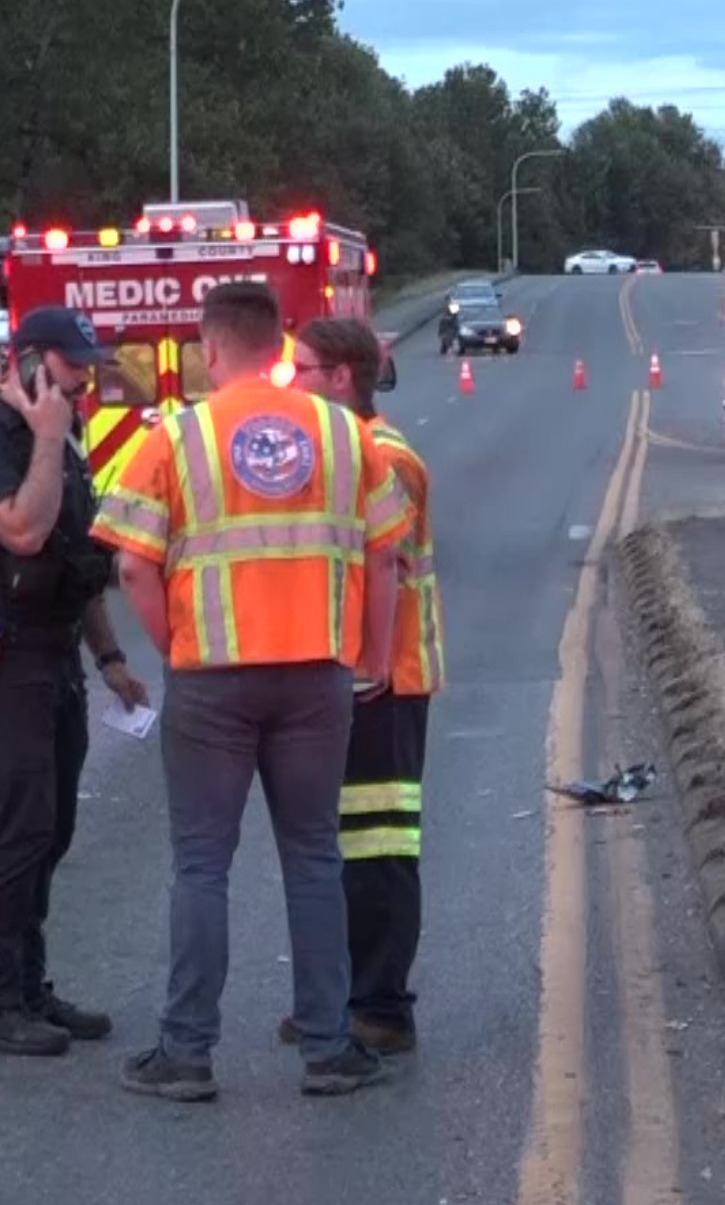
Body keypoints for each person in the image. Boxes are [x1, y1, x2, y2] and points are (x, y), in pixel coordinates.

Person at [90, 281, 410, 1101]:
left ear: (210, 346)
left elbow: (130, 562)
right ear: (277, 347)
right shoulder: (345, 435)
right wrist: (370, 654)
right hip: (317, 677)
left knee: (202, 865)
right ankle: (330, 1047)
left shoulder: (175, 438)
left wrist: (178, 650)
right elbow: (384, 555)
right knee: (312, 857)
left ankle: (187, 1052)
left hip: (213, 682)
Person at [0, 305, 149, 1057]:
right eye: (69, 366)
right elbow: (22, 530)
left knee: (51, 830)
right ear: (26, 361)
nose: (83, 380)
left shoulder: (63, 442)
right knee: (19, 828)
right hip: (2, 655)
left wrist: (110, 658)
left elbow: (75, 560)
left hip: (55, 654)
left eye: (86, 366)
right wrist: (50, 439)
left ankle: (27, 985)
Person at [279, 317, 445, 1056]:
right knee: (343, 848)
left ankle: (382, 1006)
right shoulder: (349, 453)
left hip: (388, 678)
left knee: (378, 849)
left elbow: (373, 565)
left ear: (342, 378)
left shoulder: (385, 460)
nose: (294, 382)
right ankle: (342, 997)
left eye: (305, 370)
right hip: (353, 679)